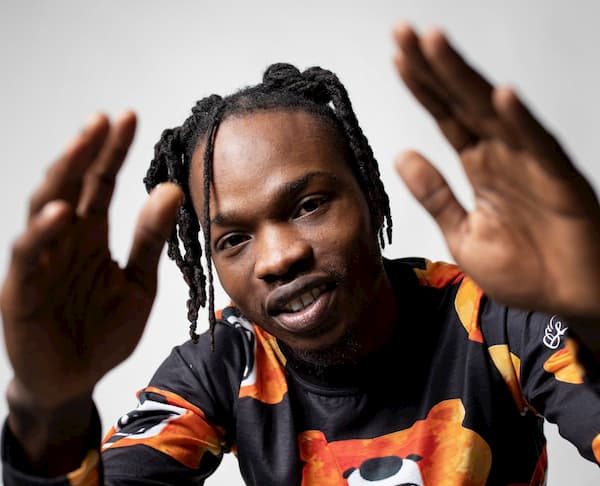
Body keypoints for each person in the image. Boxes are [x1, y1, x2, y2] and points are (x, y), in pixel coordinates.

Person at [1, 22, 600, 485]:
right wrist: (48, 412)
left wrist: (594, 313)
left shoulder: (496, 315)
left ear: (370, 197)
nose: (277, 257)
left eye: (309, 205)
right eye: (233, 239)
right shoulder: (225, 362)